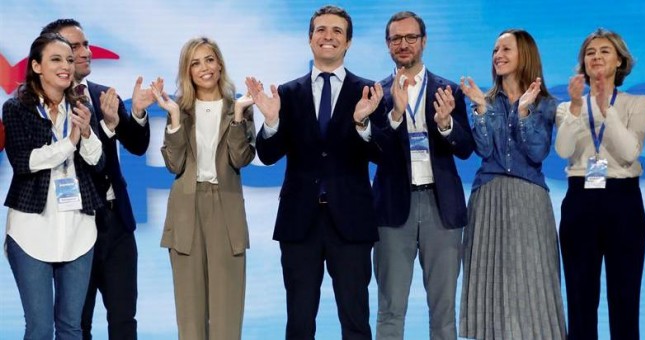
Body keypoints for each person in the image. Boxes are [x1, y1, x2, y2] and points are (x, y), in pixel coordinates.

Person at [246, 5, 384, 339]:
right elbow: (267, 154)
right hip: (299, 222)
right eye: (321, 30)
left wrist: (362, 122)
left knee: (355, 320)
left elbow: (382, 154)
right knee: (299, 322)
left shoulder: (369, 92)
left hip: (351, 222)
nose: (328, 36)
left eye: (337, 31)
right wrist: (272, 121)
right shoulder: (288, 93)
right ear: (310, 39)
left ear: (348, 43)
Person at [40, 18, 160, 340]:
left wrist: (135, 114)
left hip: (117, 224)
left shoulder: (103, 94)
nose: (85, 52)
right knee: (77, 324)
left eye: (86, 45)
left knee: (124, 320)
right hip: (74, 225)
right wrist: (105, 128)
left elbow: (136, 144)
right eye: (74, 47)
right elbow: (77, 159)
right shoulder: (44, 107)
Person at [370, 11, 474, 340]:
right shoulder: (376, 94)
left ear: (424, 41)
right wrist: (397, 114)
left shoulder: (448, 91)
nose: (404, 44)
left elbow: (465, 148)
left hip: (440, 209)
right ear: (388, 45)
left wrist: (446, 124)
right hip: (392, 210)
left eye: (410, 37)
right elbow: (375, 150)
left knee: (443, 311)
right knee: (389, 309)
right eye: (396, 38)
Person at [458, 29, 566, 339]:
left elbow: (537, 151)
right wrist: (480, 109)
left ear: (525, 55)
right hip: (487, 198)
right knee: (489, 284)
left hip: (529, 200)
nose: (498, 55)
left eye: (506, 49)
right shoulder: (485, 99)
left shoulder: (546, 103)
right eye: (495, 50)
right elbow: (484, 150)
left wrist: (523, 112)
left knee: (533, 284)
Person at [151, 36, 256, 340]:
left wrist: (237, 116)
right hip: (186, 211)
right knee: (190, 319)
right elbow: (175, 164)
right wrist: (172, 119)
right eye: (195, 62)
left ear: (220, 63)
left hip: (226, 208)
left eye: (209, 59)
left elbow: (240, 158)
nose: (204, 68)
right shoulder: (180, 110)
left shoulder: (238, 107)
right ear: (187, 71)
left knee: (227, 317)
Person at [3, 32, 105, 339]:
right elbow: (24, 161)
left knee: (71, 327)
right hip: (31, 230)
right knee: (39, 328)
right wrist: (69, 142)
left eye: (70, 60)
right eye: (56, 59)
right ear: (36, 66)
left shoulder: (81, 106)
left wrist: (86, 133)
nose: (66, 66)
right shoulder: (17, 108)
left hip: (79, 229)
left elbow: (97, 162)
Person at [555, 28, 645, 340]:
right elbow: (564, 151)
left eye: (605, 51)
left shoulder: (637, 102)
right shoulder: (568, 106)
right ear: (583, 62)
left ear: (621, 60)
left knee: (625, 297)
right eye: (590, 52)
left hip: (622, 202)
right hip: (580, 201)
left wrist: (605, 109)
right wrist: (574, 108)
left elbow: (629, 152)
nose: (596, 56)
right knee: (581, 300)